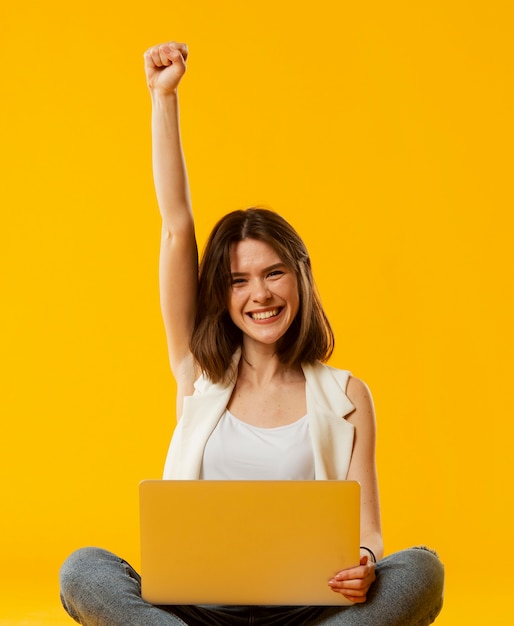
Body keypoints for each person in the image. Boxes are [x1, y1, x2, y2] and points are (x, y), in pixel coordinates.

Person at [59, 42, 444, 625]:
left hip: (304, 612)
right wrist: (163, 98)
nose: (258, 295)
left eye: (273, 274)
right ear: (222, 294)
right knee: (83, 569)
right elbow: (176, 226)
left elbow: (369, 531)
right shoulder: (197, 374)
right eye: (238, 281)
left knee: (421, 568)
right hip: (198, 611)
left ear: (301, 279)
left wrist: (365, 560)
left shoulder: (347, 397)